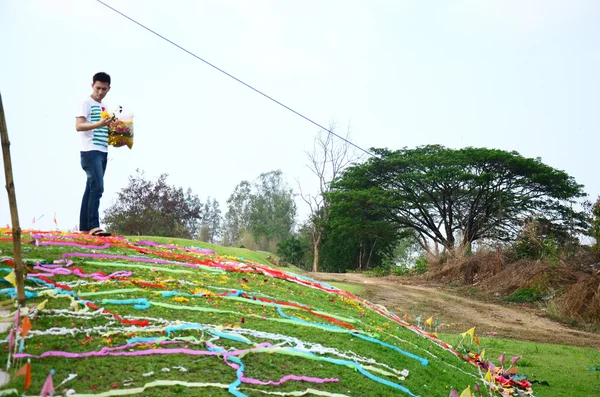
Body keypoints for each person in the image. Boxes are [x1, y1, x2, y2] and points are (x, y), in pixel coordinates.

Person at [75, 72, 113, 236]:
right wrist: (99, 124)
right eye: (97, 88)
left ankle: (84, 227)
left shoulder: (104, 106)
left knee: (90, 188)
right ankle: (93, 226)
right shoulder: (86, 103)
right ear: (92, 86)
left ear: (108, 89)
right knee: (97, 186)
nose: (100, 92)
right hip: (90, 151)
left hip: (103, 151)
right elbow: (79, 125)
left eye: (104, 89)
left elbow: (103, 129)